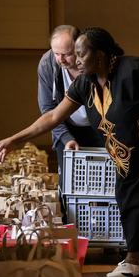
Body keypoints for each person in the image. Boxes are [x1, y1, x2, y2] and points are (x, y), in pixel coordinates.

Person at [0, 27, 139, 277]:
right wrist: (13, 140)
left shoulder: (134, 70)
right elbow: (52, 116)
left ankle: (132, 259)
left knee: (133, 197)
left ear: (101, 56)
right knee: (131, 197)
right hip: (123, 153)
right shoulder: (85, 83)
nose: (77, 61)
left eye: (81, 55)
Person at [38, 25, 104, 223]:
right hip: (66, 126)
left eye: (66, 54)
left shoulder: (92, 61)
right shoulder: (48, 64)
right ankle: (74, 233)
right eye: (56, 53)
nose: (61, 60)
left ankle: (107, 230)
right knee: (70, 185)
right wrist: (67, 138)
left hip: (99, 125)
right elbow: (48, 110)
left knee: (102, 182)